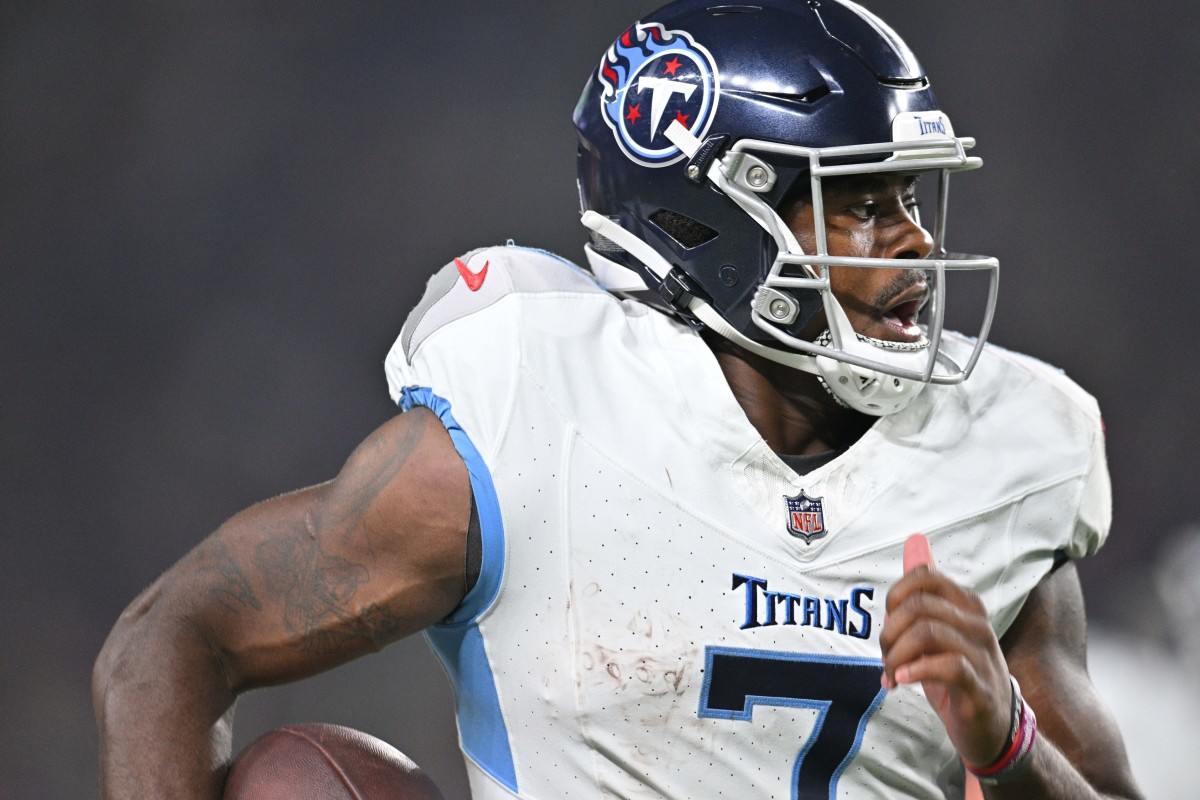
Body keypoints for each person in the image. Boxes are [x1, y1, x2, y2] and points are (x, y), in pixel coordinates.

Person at [93, 1, 1144, 798]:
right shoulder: (533, 419)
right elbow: (170, 636)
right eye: (857, 204)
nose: (915, 239)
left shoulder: (1011, 453)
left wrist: (1008, 741)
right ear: (710, 229)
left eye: (910, 194)